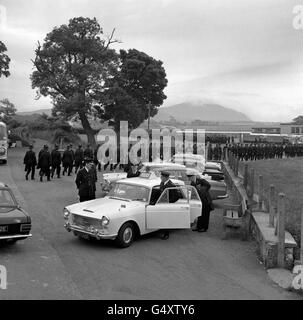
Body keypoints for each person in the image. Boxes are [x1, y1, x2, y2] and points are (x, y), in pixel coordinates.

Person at [158, 171, 179, 240]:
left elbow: (176, 196)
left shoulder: (171, 185)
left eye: (162, 177)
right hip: (161, 204)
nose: (161, 178)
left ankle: (166, 234)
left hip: (167, 205)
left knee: (166, 219)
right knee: (161, 219)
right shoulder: (162, 183)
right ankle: (161, 231)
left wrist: (169, 202)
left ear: (165, 177)